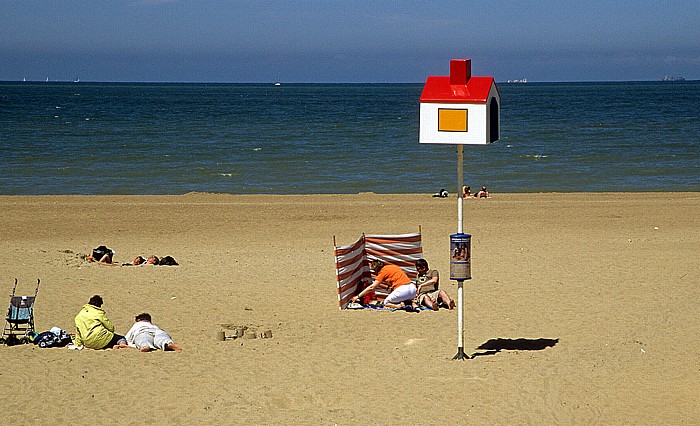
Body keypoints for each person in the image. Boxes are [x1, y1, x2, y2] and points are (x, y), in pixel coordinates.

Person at [351, 259, 418, 310]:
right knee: (405, 298)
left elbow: (372, 287)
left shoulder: (382, 272)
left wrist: (358, 296)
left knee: (386, 302)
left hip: (402, 290)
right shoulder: (393, 266)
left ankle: (399, 306)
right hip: (412, 288)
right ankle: (412, 304)